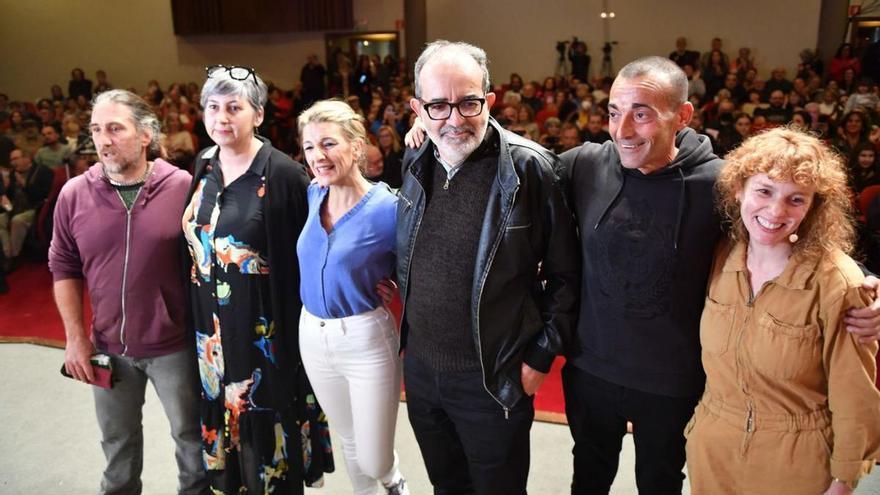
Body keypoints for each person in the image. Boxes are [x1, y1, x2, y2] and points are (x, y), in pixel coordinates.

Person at [557, 56, 880, 494]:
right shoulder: (585, 165)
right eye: (615, 112)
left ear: (683, 116)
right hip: (590, 369)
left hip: (673, 380)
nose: (623, 130)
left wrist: (867, 286)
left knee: (660, 482)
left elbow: (784, 227)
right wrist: (429, 129)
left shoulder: (719, 181)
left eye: (642, 114)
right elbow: (516, 171)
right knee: (588, 478)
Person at [398, 40, 579, 494]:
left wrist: (541, 356)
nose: (455, 120)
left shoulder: (530, 168)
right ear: (418, 109)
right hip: (422, 372)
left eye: (468, 102)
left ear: (490, 101)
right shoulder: (416, 156)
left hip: (492, 375)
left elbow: (567, 276)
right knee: (448, 486)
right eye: (438, 105)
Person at [686, 127, 880, 493]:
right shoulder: (716, 256)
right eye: (764, 191)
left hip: (797, 460)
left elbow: (855, 392)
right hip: (713, 450)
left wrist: (843, 481)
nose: (776, 211)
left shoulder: (837, 281)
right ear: (739, 188)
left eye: (796, 199)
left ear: (813, 206)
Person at [49, 89, 208, 494]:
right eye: (97, 130)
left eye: (115, 128)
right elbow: (63, 267)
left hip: (174, 346)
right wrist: (75, 339)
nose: (104, 139)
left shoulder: (183, 186)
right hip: (108, 347)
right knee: (117, 446)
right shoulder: (74, 195)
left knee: (193, 440)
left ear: (145, 134)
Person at [182, 65, 330, 493]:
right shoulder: (203, 164)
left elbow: (310, 257)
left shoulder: (283, 174)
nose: (221, 117)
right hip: (210, 331)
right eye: (212, 107)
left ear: (258, 115)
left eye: (234, 107)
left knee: (264, 438)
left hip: (264, 333)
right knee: (227, 447)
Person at [297, 99, 409, 495]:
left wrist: (396, 283)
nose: (317, 156)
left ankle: (393, 481)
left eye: (328, 143)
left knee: (374, 457)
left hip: (365, 339)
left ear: (357, 147)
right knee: (347, 438)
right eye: (310, 147)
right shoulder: (313, 194)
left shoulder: (389, 207)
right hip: (311, 334)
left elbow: (416, 267)